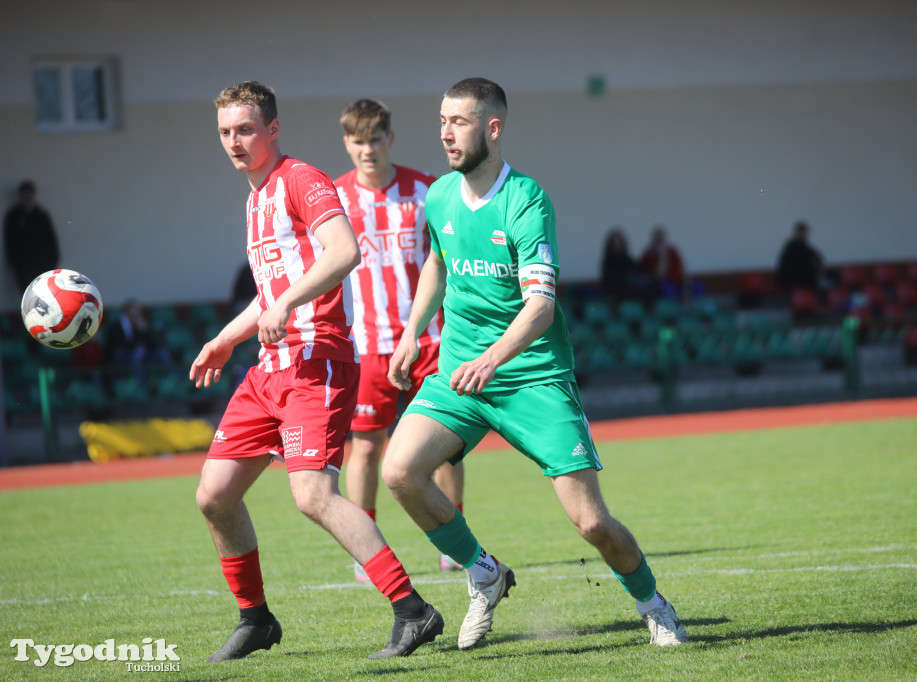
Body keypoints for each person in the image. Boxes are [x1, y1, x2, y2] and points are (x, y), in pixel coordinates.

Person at [380, 78, 688, 651]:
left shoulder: (526, 200)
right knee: (399, 472)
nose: (446, 132)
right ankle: (483, 574)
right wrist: (411, 332)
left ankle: (653, 603)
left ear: (492, 129)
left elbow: (541, 307)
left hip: (531, 375)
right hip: (461, 372)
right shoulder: (441, 194)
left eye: (460, 121)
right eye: (442, 120)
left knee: (592, 523)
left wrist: (494, 359)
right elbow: (437, 264)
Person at [189, 81, 443, 663]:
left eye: (245, 129)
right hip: (268, 368)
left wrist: (285, 305)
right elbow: (268, 294)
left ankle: (412, 610)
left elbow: (344, 251)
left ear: (272, 130)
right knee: (214, 495)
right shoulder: (255, 199)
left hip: (316, 360)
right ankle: (255, 619)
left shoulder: (301, 180)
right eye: (226, 131)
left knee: (312, 494)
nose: (234, 140)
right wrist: (225, 339)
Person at [333, 98, 465, 582]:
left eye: (374, 139)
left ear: (390, 139)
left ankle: (455, 539)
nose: (367, 150)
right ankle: (366, 549)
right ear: (346, 144)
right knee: (366, 447)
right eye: (357, 141)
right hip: (368, 344)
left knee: (446, 444)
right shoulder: (335, 198)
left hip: (430, 338)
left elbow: (451, 259)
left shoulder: (425, 189)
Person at [3, 179, 60, 291]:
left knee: (45, 291)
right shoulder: (13, 216)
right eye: (25, 195)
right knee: (27, 291)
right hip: (23, 263)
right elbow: (9, 240)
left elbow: (50, 237)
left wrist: (53, 258)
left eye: (29, 195)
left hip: (43, 261)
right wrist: (13, 261)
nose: (27, 198)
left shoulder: (41, 215)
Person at [600, 227, 656, 302]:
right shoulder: (608, 260)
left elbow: (639, 268)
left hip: (629, 287)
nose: (617, 246)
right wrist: (626, 278)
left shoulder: (626, 257)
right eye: (615, 243)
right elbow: (610, 277)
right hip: (617, 289)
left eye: (619, 243)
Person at [776, 220, 824, 293]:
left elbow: (818, 257)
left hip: (797, 277)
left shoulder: (803, 246)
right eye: (804, 232)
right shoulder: (794, 246)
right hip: (793, 279)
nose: (805, 235)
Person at [640, 225, 685, 299]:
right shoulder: (648, 254)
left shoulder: (672, 251)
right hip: (661, 284)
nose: (660, 240)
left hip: (678, 282)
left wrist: (686, 283)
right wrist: (662, 254)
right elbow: (659, 275)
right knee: (665, 286)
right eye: (658, 238)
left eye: (662, 238)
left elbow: (682, 268)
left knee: (697, 285)